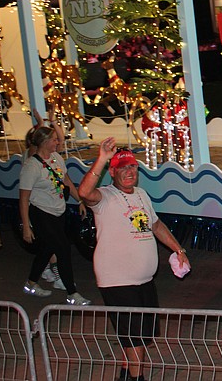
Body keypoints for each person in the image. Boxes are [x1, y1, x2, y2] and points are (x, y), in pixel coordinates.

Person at [77, 137, 190, 381]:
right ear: (113, 172)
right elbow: (84, 192)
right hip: (117, 279)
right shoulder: (105, 197)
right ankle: (138, 378)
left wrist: (178, 249)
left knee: (135, 335)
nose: (129, 172)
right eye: (123, 168)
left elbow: (157, 225)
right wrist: (102, 159)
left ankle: (126, 374)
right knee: (135, 335)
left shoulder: (141, 195)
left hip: (144, 279)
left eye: (133, 167)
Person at [19, 125, 90, 304]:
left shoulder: (57, 158)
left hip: (59, 211)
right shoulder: (31, 166)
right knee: (63, 248)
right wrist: (26, 227)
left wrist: (79, 200)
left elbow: (66, 180)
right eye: (54, 139)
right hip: (41, 213)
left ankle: (30, 283)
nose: (57, 142)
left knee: (47, 249)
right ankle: (72, 293)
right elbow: (24, 199)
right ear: (43, 142)